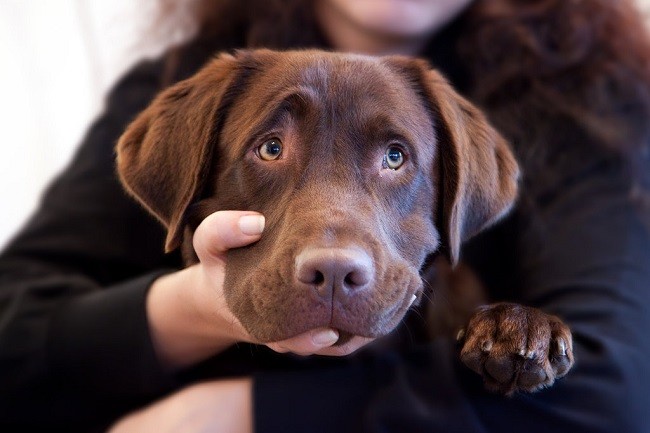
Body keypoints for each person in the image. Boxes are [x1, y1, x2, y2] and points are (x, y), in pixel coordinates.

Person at [1, 0, 649, 432]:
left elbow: (614, 387)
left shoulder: (578, 108)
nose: (338, 248)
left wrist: (242, 414)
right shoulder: (196, 90)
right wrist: (195, 307)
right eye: (271, 147)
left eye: (395, 156)